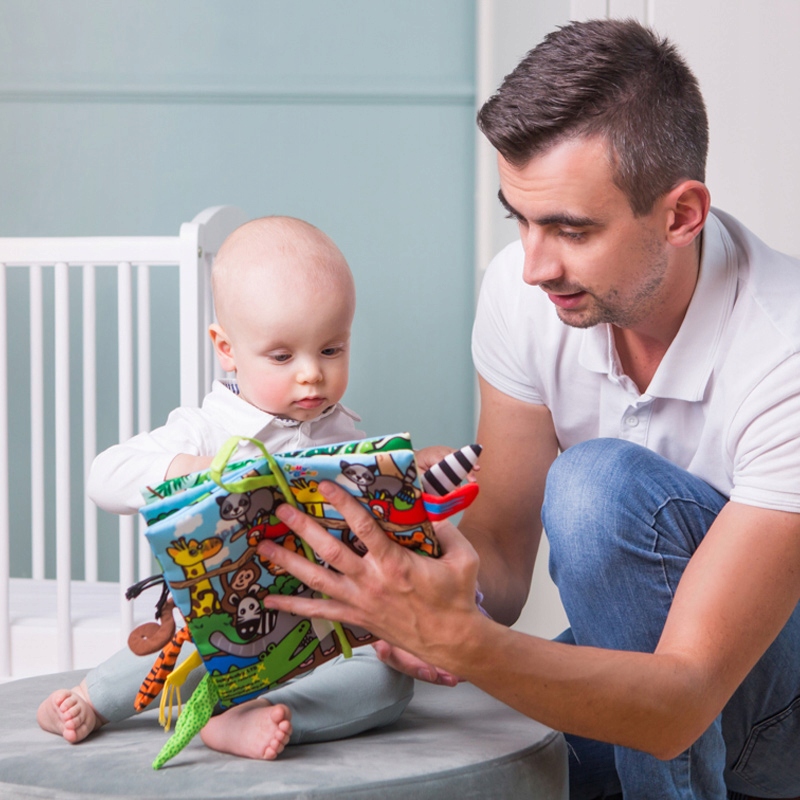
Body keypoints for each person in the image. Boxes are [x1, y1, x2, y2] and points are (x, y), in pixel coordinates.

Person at [249, 19, 800, 800]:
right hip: (658, 672)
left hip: (776, 707)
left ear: (681, 215)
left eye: (572, 229)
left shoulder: (784, 352)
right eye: (520, 217)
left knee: (595, 490)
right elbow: (501, 553)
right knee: (480, 766)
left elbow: (683, 697)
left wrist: (465, 643)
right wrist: (427, 593)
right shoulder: (522, 293)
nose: (535, 266)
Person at [37, 215, 449, 761]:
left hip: (321, 635)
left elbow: (388, 534)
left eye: (331, 350)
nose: (312, 374)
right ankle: (91, 700)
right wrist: (200, 468)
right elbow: (105, 477)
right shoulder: (206, 428)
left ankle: (255, 717)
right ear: (226, 348)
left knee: (387, 683)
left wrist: (416, 478)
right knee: (180, 646)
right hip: (225, 627)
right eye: (282, 356)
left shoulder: (346, 440)